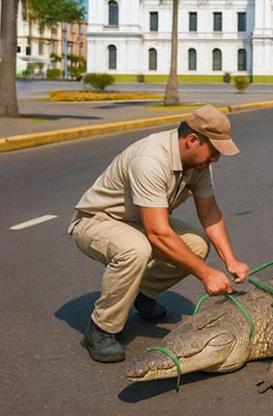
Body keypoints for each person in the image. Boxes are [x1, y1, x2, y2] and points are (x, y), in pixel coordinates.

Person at [69, 104, 250, 363]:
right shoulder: (151, 159)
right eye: (214, 151)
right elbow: (157, 234)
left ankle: (142, 294)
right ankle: (101, 328)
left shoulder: (197, 164)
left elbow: (209, 212)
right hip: (97, 221)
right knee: (136, 249)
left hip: (140, 221)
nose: (216, 159)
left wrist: (230, 260)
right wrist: (206, 274)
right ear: (191, 140)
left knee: (197, 243)